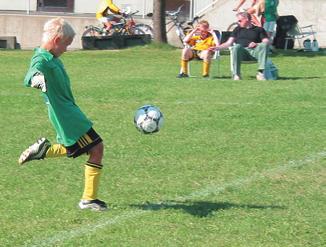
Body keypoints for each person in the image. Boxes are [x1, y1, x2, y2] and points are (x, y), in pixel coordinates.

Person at [18, 17, 107, 211]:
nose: (66, 49)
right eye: (66, 45)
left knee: (76, 147)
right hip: (66, 116)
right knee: (97, 148)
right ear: (57, 40)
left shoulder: (53, 58)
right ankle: (88, 199)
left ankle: (43, 151)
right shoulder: (41, 58)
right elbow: (30, 74)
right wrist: (37, 80)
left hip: (70, 112)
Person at [211, 12, 269, 80]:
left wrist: (257, 44)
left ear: (247, 19)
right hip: (242, 53)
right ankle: (237, 74)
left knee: (264, 45)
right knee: (236, 47)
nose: (238, 22)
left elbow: (266, 41)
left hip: (255, 52)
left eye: (240, 20)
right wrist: (217, 48)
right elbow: (228, 43)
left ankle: (260, 73)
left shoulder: (259, 29)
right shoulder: (237, 29)